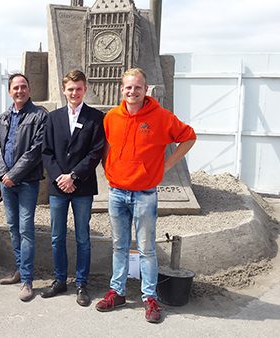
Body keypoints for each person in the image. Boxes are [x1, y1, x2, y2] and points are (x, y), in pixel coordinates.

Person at [96, 68, 196, 323]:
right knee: (119, 245)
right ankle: (117, 292)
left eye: (137, 87)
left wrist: (167, 165)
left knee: (147, 249)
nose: (133, 91)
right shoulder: (111, 117)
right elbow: (106, 145)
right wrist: (109, 168)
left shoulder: (161, 117)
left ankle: (149, 297)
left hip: (144, 194)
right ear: (122, 89)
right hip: (117, 191)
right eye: (128, 87)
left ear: (145, 89)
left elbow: (188, 137)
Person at [40, 69, 105, 306]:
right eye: (70, 89)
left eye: (79, 89)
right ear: (64, 90)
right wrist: (60, 177)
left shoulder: (95, 118)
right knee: (57, 237)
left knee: (82, 238)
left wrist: (74, 177)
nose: (74, 93)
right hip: (58, 188)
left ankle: (81, 283)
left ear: (84, 89)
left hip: (83, 187)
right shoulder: (53, 117)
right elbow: (46, 152)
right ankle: (59, 280)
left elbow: (95, 152)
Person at [0, 73, 47, 302]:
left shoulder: (40, 115)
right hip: (6, 183)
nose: (20, 91)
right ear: (10, 91)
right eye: (15, 87)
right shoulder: (3, 117)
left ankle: (27, 280)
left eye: (23, 87)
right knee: (13, 227)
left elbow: (36, 150)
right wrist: (4, 174)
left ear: (29, 90)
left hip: (27, 182)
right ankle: (20, 270)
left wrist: (13, 174)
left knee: (25, 229)